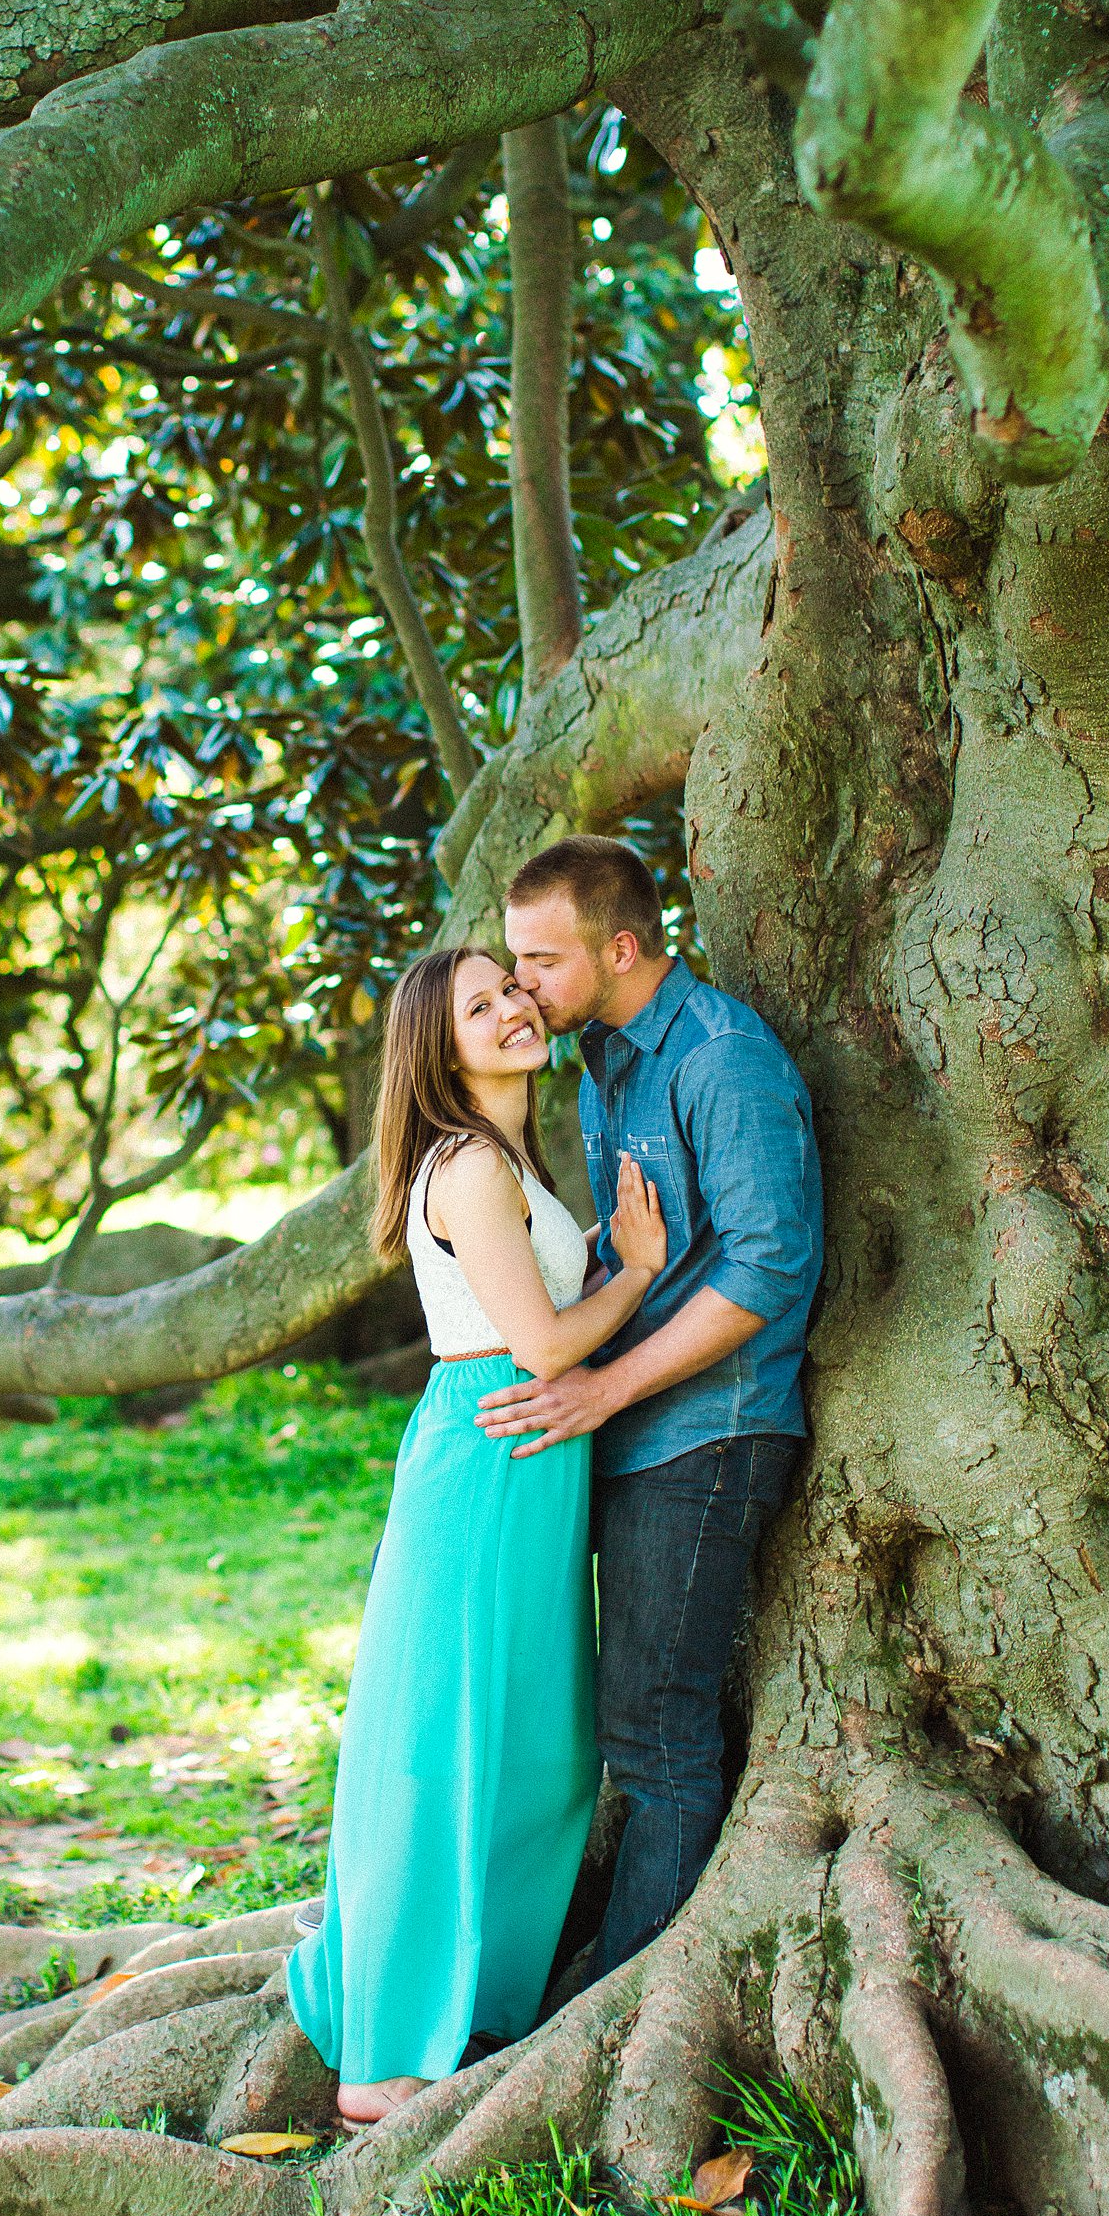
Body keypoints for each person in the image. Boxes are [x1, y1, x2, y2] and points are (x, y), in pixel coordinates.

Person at [286, 943, 667, 2128]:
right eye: (479, 1004)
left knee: (542, 1755)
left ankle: (472, 2002)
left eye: (513, 987)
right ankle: (382, 2054)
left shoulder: (507, 1160)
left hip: (531, 1466)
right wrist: (639, 1270)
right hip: (485, 1452)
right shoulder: (461, 1166)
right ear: (437, 1047)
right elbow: (546, 1345)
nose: (512, 1007)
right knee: (438, 1744)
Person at [480, 835, 823, 1982]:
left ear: (619, 948)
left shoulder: (721, 1058)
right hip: (625, 1423)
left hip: (706, 1431)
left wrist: (601, 1386)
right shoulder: (603, 1057)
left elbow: (769, 1266)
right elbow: (652, 1245)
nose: (517, 982)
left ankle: (624, 1999)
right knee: (581, 1721)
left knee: (656, 1737)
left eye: (538, 958)